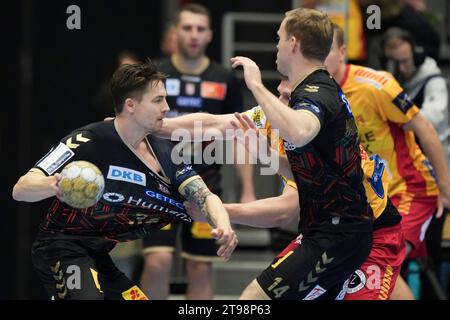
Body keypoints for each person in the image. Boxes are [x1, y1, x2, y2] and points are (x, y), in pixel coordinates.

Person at [160, 77, 405, 300]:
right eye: (279, 94)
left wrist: (218, 211)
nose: (278, 101)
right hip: (325, 232)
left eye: (288, 98)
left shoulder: (313, 137)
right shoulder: (276, 115)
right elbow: (214, 123)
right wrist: (157, 126)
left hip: (374, 234)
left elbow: (283, 211)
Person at [12, 60, 237, 300]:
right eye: (158, 100)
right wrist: (55, 185)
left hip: (100, 257)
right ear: (131, 105)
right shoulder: (88, 140)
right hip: (62, 248)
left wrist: (223, 224)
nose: (167, 107)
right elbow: (21, 188)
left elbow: (205, 196)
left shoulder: (166, 154)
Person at [227, 8, 373, 300]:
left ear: (293, 43)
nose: (276, 46)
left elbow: (299, 132)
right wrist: (264, 153)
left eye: (278, 38)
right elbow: (311, 174)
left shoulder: (315, 94)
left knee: (252, 300)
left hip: (338, 234)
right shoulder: (311, 90)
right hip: (331, 230)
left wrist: (255, 84)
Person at [324, 23, 450, 299]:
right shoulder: (316, 96)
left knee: (376, 264)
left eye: (326, 49)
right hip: (368, 201)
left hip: (410, 190)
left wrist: (446, 188)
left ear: (343, 51)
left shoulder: (375, 84)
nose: (318, 56)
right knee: (359, 267)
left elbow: (425, 129)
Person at [140, 3, 254, 300]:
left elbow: (241, 135)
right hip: (158, 182)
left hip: (205, 184)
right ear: (175, 31)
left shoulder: (224, 77)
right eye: (187, 28)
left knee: (199, 268)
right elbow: (137, 126)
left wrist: (248, 191)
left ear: (210, 35)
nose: (193, 35)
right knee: (158, 261)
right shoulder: (156, 72)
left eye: (200, 29)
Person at [381, 26, 450, 298]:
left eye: (406, 61)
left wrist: (395, 116)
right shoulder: (389, 83)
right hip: (403, 175)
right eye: (395, 62)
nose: (402, 67)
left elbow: (432, 116)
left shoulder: (432, 80)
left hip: (436, 172)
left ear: (417, 55)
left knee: (430, 250)